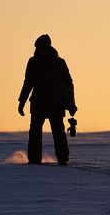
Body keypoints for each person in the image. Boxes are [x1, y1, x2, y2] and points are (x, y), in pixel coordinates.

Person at [17, 34, 77, 165]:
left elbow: (28, 83)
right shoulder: (59, 62)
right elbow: (69, 84)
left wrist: (22, 102)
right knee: (57, 132)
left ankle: (35, 159)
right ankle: (62, 158)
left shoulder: (34, 62)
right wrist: (71, 103)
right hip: (55, 103)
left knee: (36, 132)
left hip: (40, 102)